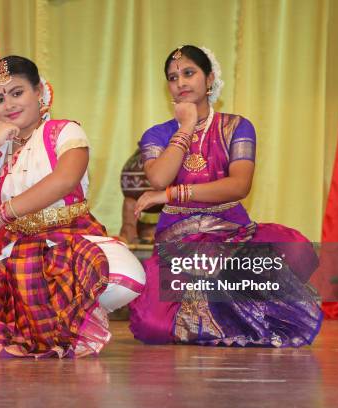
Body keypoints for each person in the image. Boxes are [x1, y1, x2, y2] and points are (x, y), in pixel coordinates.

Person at [0, 56, 145, 358]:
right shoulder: (0, 150)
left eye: (17, 92)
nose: (8, 104)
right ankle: (51, 321)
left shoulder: (64, 131)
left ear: (39, 91)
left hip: (72, 238)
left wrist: (4, 212)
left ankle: (70, 318)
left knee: (126, 279)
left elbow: (64, 181)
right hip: (21, 250)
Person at [128, 45, 322, 347]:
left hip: (230, 233)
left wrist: (172, 194)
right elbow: (157, 177)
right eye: (172, 77)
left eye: (189, 73)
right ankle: (224, 321)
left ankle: (221, 318)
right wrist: (187, 126)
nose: (180, 82)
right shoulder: (157, 134)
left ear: (209, 79)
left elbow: (238, 185)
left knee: (293, 250)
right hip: (178, 243)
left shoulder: (236, 127)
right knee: (152, 324)